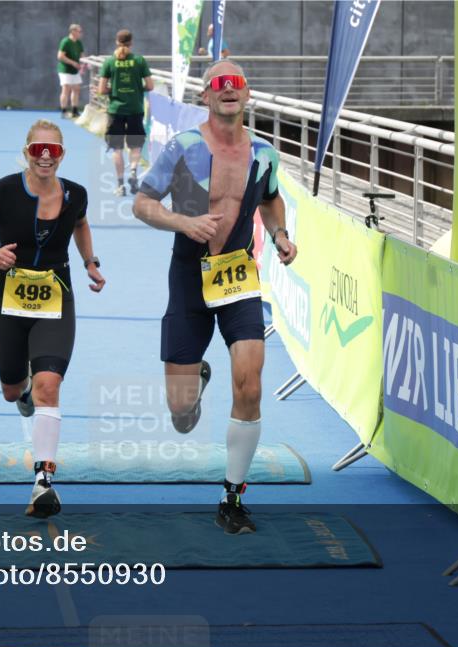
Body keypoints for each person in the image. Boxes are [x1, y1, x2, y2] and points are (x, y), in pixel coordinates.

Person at [132, 60, 297, 535]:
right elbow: (142, 202)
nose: (229, 91)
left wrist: (281, 234)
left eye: (237, 84)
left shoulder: (265, 153)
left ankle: (232, 496)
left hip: (238, 277)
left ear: (248, 97)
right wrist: (183, 222)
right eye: (219, 85)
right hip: (189, 276)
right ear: (205, 96)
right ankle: (195, 382)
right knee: (181, 413)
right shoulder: (183, 146)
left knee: (250, 383)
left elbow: (269, 198)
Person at [0, 119, 105, 518]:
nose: (45, 155)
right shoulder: (4, 190)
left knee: (48, 384)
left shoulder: (76, 193)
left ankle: (43, 481)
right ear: (26, 152)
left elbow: (80, 223)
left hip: (55, 299)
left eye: (53, 150)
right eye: (38, 149)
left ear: (62, 155)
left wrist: (90, 262)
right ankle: (22, 395)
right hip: (8, 297)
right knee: (14, 390)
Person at [98, 29, 153, 196]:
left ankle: (120, 185)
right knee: (135, 146)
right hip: (135, 109)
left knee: (117, 149)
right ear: (131, 42)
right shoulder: (139, 61)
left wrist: (113, 90)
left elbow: (101, 89)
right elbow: (150, 86)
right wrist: (136, 89)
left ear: (117, 42)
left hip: (116, 111)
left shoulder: (109, 62)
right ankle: (134, 171)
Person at [57, 24, 85, 118]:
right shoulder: (65, 41)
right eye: (79, 31)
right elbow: (60, 56)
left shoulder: (79, 42)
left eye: (81, 31)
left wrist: (84, 64)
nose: (81, 33)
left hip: (75, 71)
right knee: (66, 89)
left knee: (76, 89)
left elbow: (82, 56)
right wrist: (73, 63)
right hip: (65, 70)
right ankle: (64, 111)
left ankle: (74, 111)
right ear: (73, 31)